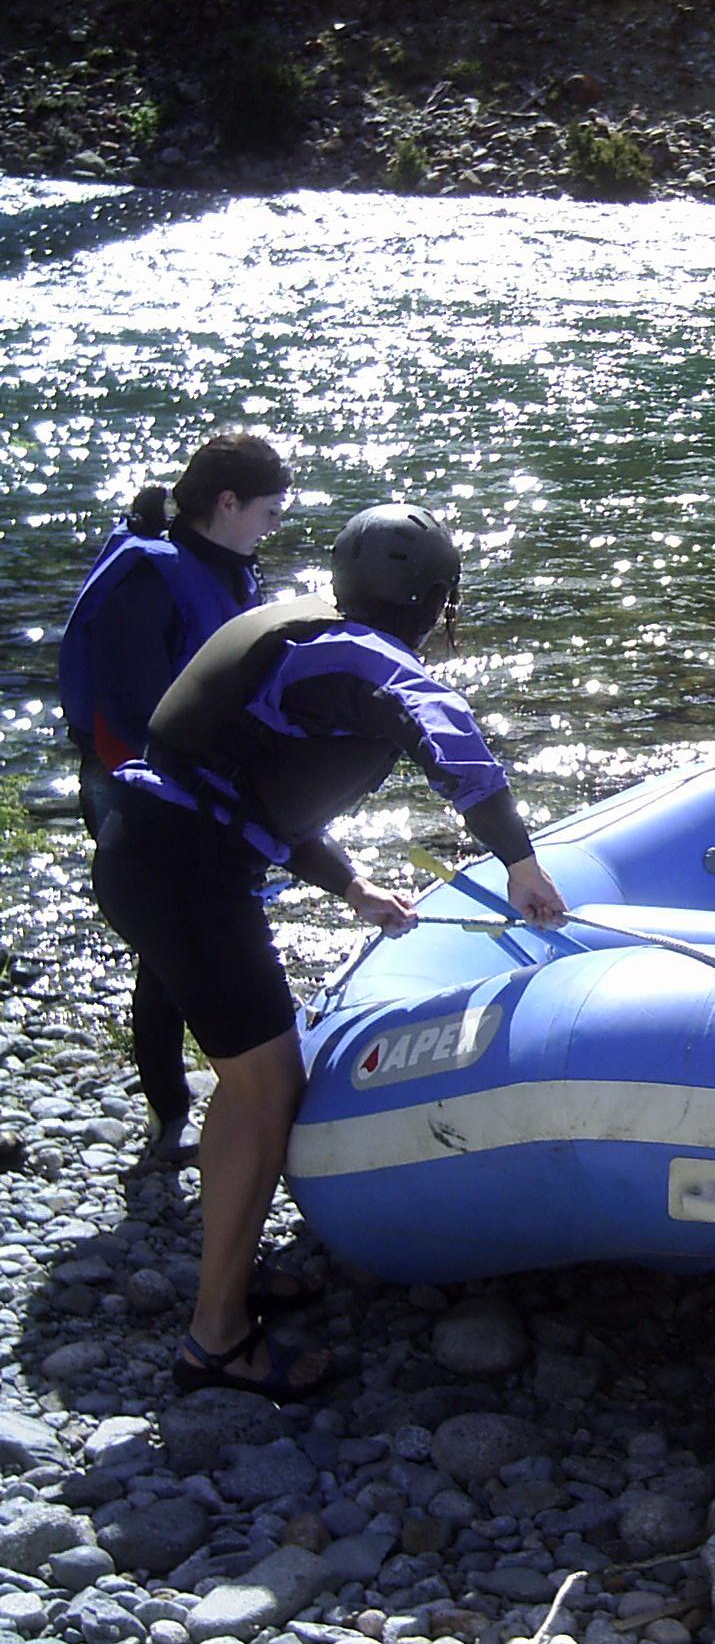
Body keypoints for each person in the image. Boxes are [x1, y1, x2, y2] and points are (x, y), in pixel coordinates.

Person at [90, 502, 566, 1402]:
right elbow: (443, 730)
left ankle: (231, 1271)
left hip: (153, 856)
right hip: (185, 878)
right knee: (272, 1087)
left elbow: (241, 791)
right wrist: (519, 859)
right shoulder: (369, 657)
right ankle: (218, 1338)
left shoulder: (295, 633)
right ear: (432, 601)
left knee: (252, 1078)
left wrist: (348, 887)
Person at [58, 432, 291, 1158]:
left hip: (199, 781)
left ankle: (207, 1093)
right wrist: (209, 779)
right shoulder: (149, 576)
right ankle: (170, 1114)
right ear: (228, 504)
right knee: (164, 949)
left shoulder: (226, 568)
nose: (275, 525)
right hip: (136, 782)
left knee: (185, 942)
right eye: (270, 510)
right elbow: (133, 709)